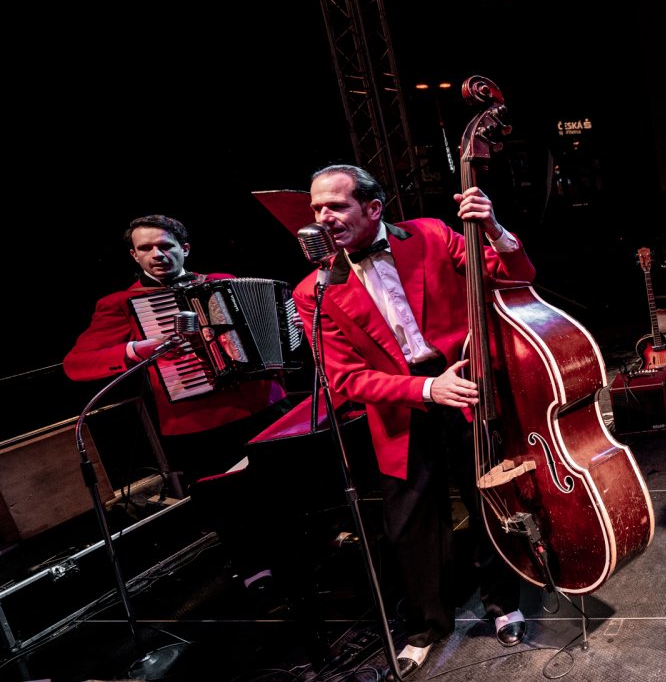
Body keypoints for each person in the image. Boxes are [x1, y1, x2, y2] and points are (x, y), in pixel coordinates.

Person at [291, 164, 534, 678]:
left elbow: (513, 275)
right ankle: (426, 625)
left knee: (488, 501)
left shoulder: (431, 235)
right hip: (401, 405)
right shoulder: (314, 290)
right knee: (410, 525)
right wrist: (425, 389)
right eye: (316, 208)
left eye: (336, 205)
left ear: (372, 208)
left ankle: (503, 604)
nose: (323, 217)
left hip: (466, 384)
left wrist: (494, 228)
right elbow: (345, 379)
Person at [64, 214, 290, 593]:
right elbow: (76, 364)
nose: (157, 254)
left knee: (283, 489)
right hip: (197, 422)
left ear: (184, 248)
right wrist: (139, 348)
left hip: (262, 406)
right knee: (227, 505)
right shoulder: (121, 304)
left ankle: (302, 550)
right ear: (134, 256)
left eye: (165, 246)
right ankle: (254, 570)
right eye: (146, 248)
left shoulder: (221, 281)